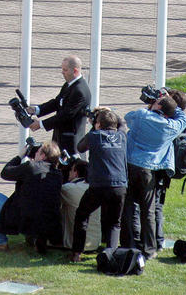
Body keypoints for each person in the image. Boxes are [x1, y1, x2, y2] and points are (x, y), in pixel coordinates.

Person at [120, 94, 186, 259]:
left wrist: (150, 107)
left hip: (130, 165)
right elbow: (184, 119)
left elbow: (127, 117)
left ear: (158, 107)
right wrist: (172, 105)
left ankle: (128, 244)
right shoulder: (172, 126)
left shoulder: (143, 116)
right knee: (148, 210)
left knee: (129, 207)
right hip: (149, 171)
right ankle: (149, 249)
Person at [70, 108, 127, 262]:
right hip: (119, 186)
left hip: (99, 186)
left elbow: (80, 147)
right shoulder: (122, 136)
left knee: (82, 214)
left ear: (98, 124)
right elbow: (121, 123)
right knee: (115, 223)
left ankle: (76, 253)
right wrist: (110, 111)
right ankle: (111, 255)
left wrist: (92, 125)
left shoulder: (94, 136)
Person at [0, 141, 63, 253]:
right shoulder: (58, 174)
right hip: (49, 222)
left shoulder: (30, 167)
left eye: (37, 152)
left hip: (24, 219)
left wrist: (20, 156)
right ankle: (33, 240)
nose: (35, 154)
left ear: (43, 156)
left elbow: (5, 173)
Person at [28, 55, 91, 153]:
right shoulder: (69, 84)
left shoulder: (80, 91)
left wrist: (40, 124)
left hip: (69, 144)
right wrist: (36, 109)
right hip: (60, 139)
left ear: (75, 71)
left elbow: (66, 115)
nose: (62, 72)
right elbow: (57, 102)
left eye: (65, 70)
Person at [61, 158, 101, 251]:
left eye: (71, 170)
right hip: (95, 243)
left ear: (76, 173)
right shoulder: (96, 189)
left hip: (73, 244)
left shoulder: (68, 189)